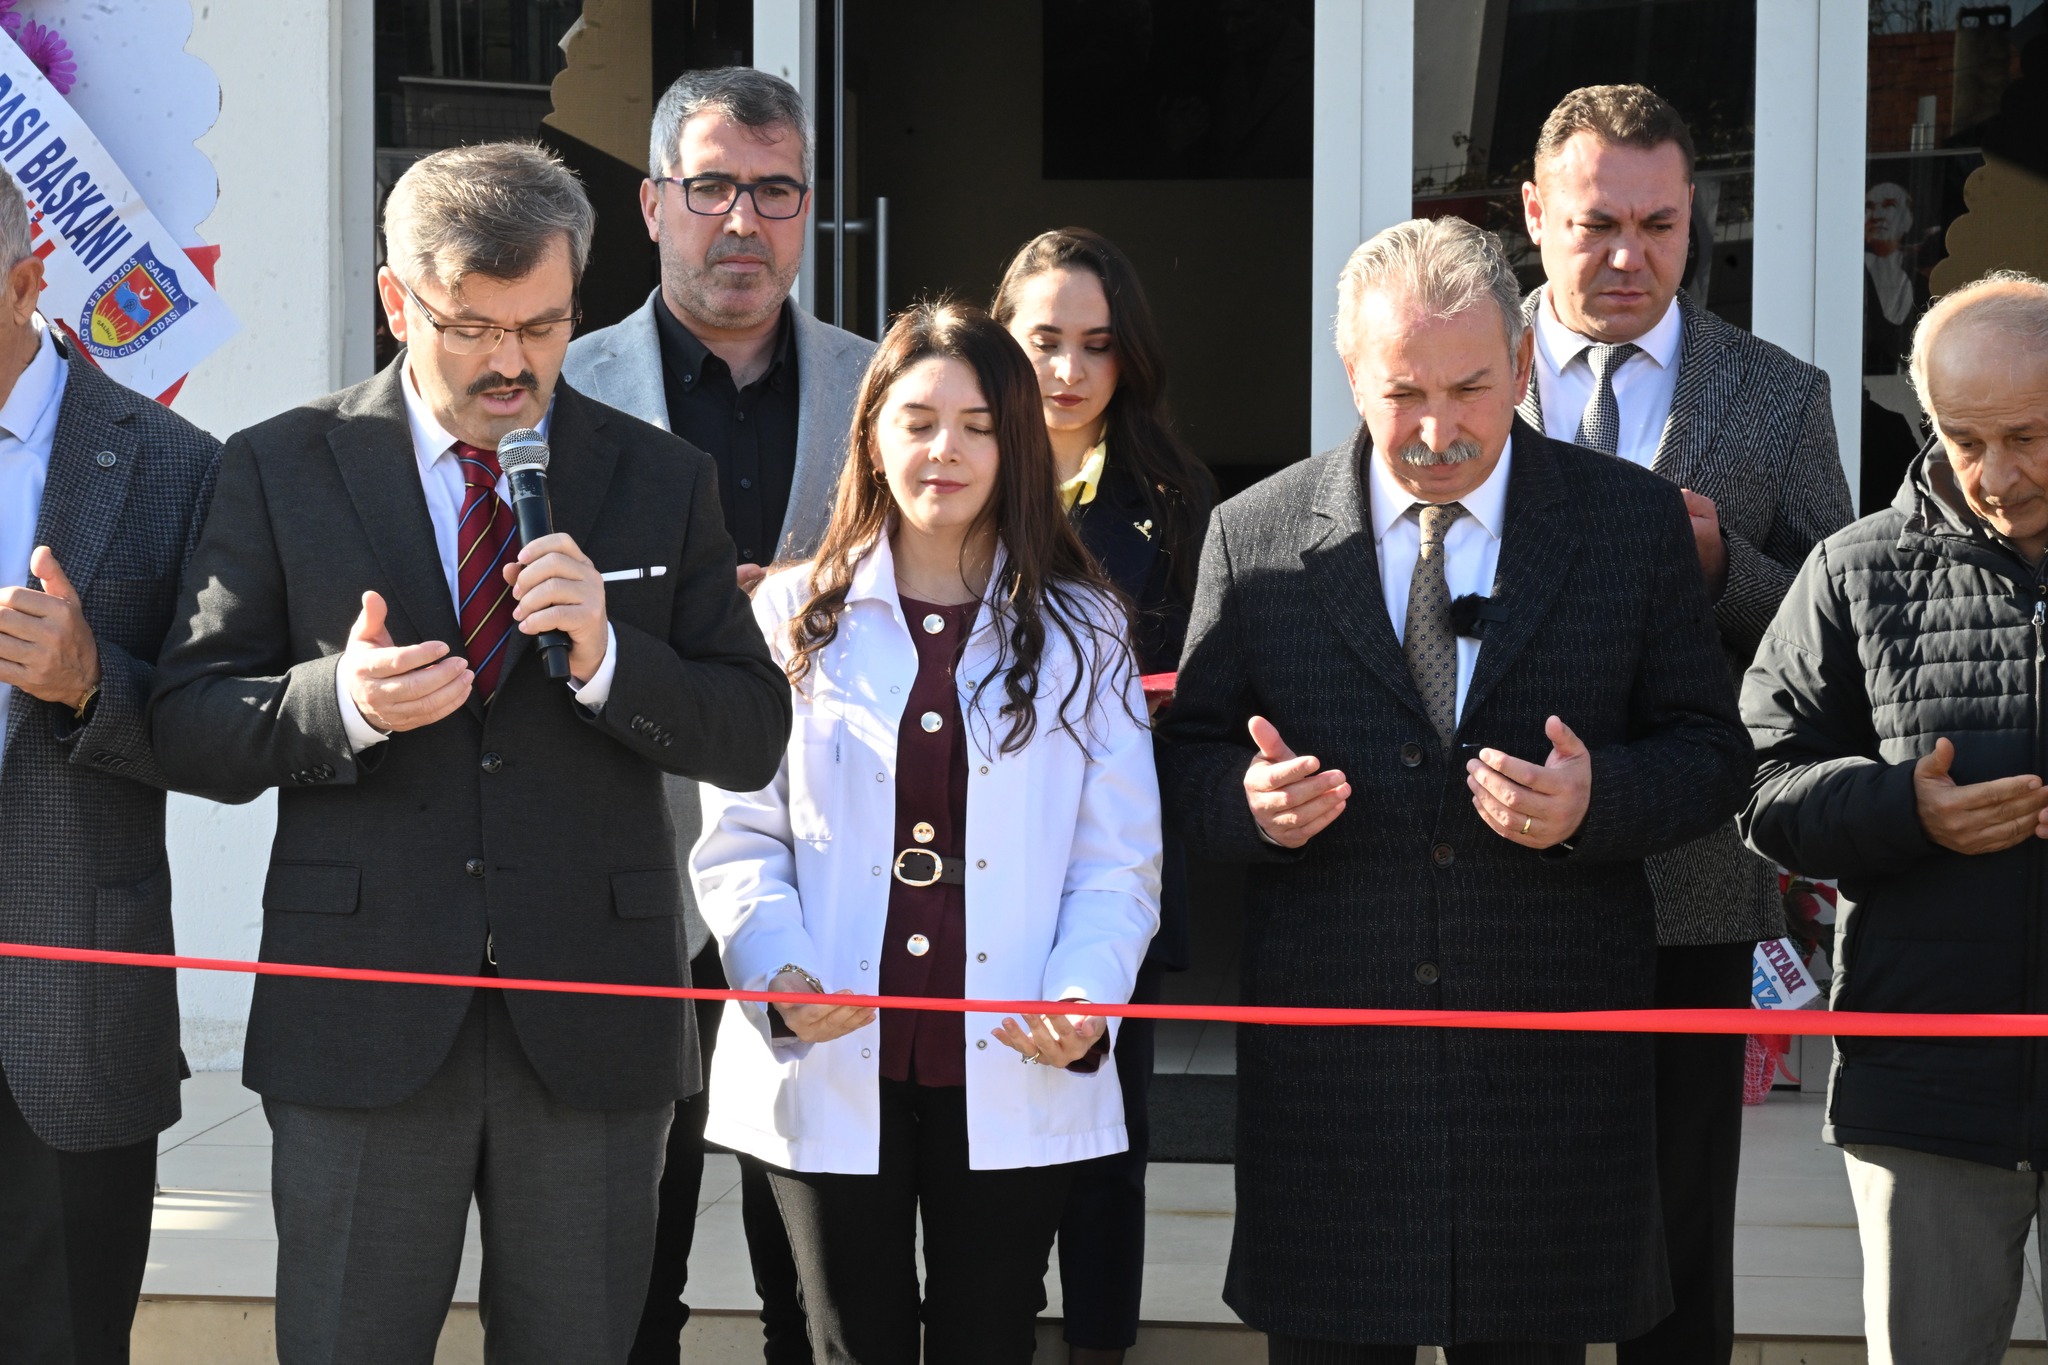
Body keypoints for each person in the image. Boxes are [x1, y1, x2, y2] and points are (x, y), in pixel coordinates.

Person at [148, 141, 791, 1365]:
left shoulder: (659, 477)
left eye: (543, 327)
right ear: (397, 301)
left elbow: (750, 729)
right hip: (364, 1010)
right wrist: (339, 703)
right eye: (472, 327)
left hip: (593, 1015)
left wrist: (610, 657)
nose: (511, 362)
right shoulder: (280, 467)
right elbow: (189, 719)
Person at [1157, 215, 1753, 1362]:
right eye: (1400, 394)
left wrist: (1596, 803)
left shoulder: (1626, 524)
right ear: (1349, 375)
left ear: (1524, 363)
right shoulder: (1256, 534)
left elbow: (1709, 753)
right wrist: (1246, 803)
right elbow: (1183, 768)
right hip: (1334, 1085)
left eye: (1471, 389)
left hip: (1545, 1081)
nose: (1434, 431)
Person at [692, 300, 1162, 1365]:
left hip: (1010, 1051)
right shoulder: (786, 617)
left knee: (985, 1340)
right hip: (826, 1046)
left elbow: (1118, 863)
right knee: (842, 1346)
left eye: (978, 424)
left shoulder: (1086, 631)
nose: (943, 448)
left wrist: (1084, 992)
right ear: (871, 435)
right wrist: (778, 971)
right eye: (915, 419)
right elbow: (741, 841)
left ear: (1016, 445)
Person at [1513, 83, 1855, 1365]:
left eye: (1658, 226)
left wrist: (1725, 573)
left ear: (1691, 219)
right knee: (1518, 1222)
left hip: (1696, 878)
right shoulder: (1455, 367)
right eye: (1597, 222)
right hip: (1499, 863)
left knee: (1679, 1235)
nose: (1626, 257)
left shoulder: (1774, 394)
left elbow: (1842, 641)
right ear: (1534, 213)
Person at [561, 68, 873, 1362]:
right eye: (711, 188)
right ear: (650, 203)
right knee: (627, 1264)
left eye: (776, 190)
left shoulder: (881, 392)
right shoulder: (562, 384)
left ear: (810, 208)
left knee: (820, 1276)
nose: (741, 221)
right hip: (619, 870)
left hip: (819, 875)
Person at [1740, 271, 2048, 1365]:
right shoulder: (1853, 569)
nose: (1995, 475)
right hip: (1922, 1086)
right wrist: (1903, 811)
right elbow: (1763, 789)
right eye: (1963, 440)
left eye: (2026, 436)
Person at [0, 171, 223, 1365]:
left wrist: (92, 681)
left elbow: (219, 729)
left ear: (30, 278)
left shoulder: (173, 464)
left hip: (68, 1025)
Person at [990, 226, 1213, 1365]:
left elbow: (1206, 673)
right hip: (969, 858)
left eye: (1095, 346)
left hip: (1108, 858)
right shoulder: (945, 461)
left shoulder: (1173, 494)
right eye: (1042, 342)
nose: (1067, 372)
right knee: (977, 1143)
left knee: (1103, 1139)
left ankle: (1098, 1347)